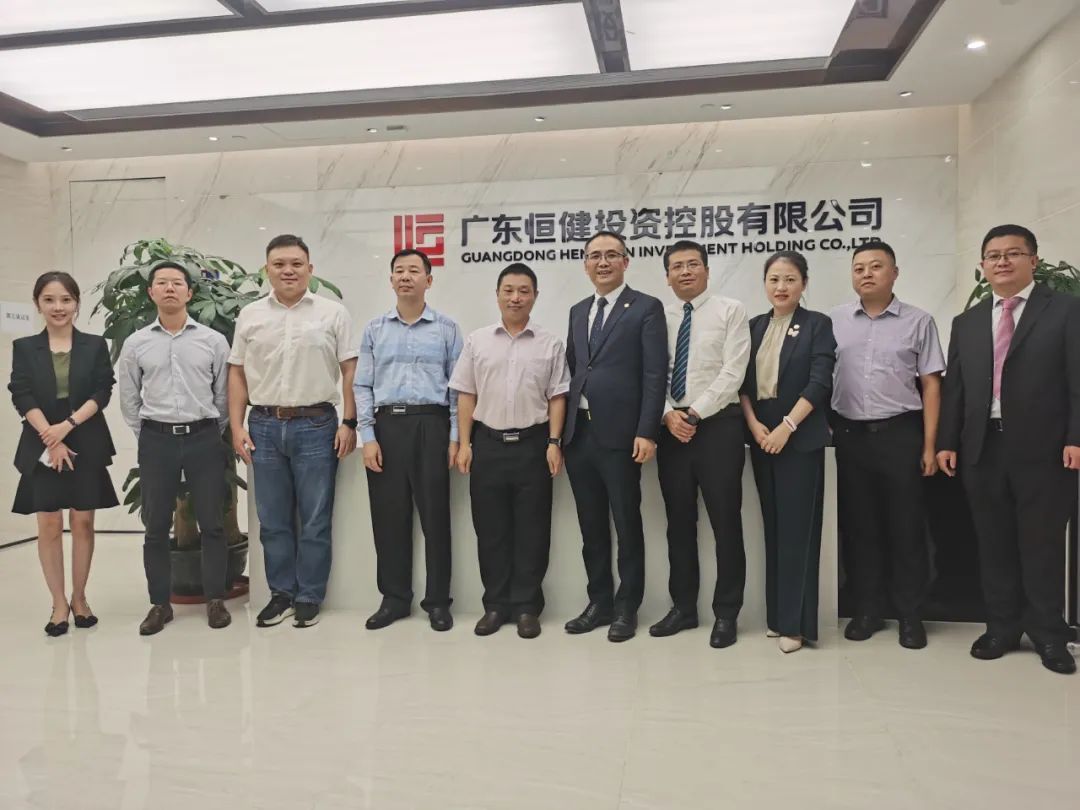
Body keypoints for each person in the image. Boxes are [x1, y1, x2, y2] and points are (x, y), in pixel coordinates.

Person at [938, 224, 1080, 675]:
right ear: (982, 265)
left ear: (1033, 260)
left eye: (1012, 253)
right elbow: (955, 389)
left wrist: (1076, 436)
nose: (1002, 261)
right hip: (983, 447)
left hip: (1046, 450)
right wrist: (946, 441)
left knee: (1042, 544)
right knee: (993, 542)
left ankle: (1049, 633)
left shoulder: (1066, 310)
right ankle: (1001, 627)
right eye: (993, 255)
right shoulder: (967, 322)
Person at [229, 235, 358, 629]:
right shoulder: (250, 314)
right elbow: (237, 372)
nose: (288, 270)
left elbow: (350, 370)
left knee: (315, 518)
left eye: (296, 264)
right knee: (272, 519)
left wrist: (349, 421)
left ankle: (309, 596)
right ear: (267, 269)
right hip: (264, 425)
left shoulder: (333, 313)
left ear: (310, 269)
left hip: (317, 425)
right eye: (280, 264)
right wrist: (235, 425)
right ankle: (281, 594)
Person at [830, 239, 944, 649]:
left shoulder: (919, 321)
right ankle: (868, 609)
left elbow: (932, 386)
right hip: (849, 437)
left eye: (876, 266)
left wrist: (929, 446)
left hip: (900, 434)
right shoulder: (834, 320)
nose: (866, 273)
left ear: (894, 273)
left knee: (906, 527)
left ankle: (910, 614)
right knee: (860, 527)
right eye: (859, 267)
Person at [451, 263, 570, 639]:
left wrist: (554, 442)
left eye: (523, 291)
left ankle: (527, 608)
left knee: (533, 530)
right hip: (487, 445)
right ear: (498, 294)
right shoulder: (478, 341)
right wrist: (465, 443)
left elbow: (558, 396)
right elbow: (466, 394)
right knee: (491, 530)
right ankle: (495, 605)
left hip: (534, 446)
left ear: (534, 296)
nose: (515, 297)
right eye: (509, 290)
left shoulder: (550, 343)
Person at [562, 231, 668, 642]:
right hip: (579, 434)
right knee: (590, 525)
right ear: (585, 264)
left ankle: (627, 608)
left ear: (626, 261)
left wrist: (647, 430)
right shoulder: (578, 310)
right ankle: (599, 602)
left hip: (622, 435)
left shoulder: (645, 307)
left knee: (626, 522)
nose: (602, 262)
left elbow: (654, 374)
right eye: (594, 256)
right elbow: (575, 369)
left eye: (611, 255)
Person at [117, 261, 232, 635]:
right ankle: (159, 604)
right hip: (157, 440)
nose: (170, 288)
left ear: (190, 292)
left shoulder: (213, 340)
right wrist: (151, 434)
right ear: (151, 292)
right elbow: (129, 398)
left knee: (212, 522)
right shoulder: (136, 343)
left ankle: (215, 600)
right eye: (162, 283)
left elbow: (223, 395)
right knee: (155, 526)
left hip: (203, 437)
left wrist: (209, 431)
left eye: (177, 283)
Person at [356, 248, 462, 632]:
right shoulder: (374, 329)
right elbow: (362, 385)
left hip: (432, 426)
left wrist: (455, 436)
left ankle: (438, 601)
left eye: (414, 271)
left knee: (436, 517)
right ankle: (394, 599)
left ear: (428, 280)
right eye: (399, 270)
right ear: (391, 280)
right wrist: (368, 436)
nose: (405, 276)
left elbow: (458, 389)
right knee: (389, 517)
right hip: (387, 427)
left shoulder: (447, 328)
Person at [651, 240, 750, 648]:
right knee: (678, 522)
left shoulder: (731, 310)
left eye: (693, 264)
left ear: (707, 270)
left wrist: (695, 412)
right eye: (677, 266)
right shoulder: (659, 317)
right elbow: (651, 373)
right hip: (671, 428)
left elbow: (734, 370)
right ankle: (683, 608)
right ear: (667, 276)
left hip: (718, 426)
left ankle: (726, 613)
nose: (685, 272)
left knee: (726, 521)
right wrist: (667, 414)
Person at [9, 272, 118, 636]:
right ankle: (58, 603)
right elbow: (21, 394)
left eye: (66, 299)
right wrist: (51, 438)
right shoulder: (25, 347)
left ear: (76, 303)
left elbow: (103, 391)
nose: (58, 307)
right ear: (38, 304)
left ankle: (80, 597)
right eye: (49, 300)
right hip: (41, 440)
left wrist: (66, 427)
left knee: (83, 522)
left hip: (85, 437)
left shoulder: (94, 345)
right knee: (49, 524)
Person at [740, 251, 836, 653]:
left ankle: (797, 626)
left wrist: (787, 427)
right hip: (762, 436)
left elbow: (819, 382)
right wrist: (754, 426)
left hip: (798, 437)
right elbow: (742, 384)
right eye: (774, 279)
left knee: (798, 531)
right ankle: (777, 617)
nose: (781, 287)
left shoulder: (817, 324)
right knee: (774, 528)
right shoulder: (754, 326)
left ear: (804, 284)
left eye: (790, 279)